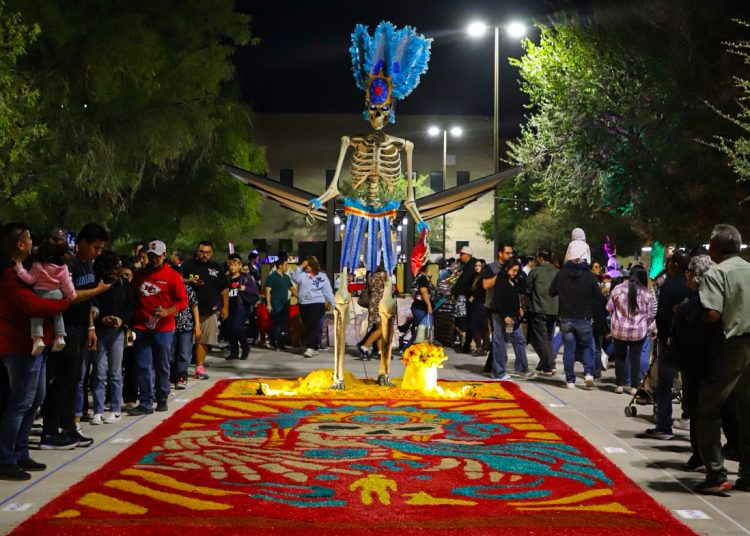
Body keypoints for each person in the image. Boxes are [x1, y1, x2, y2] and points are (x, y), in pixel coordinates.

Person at [0, 223, 71, 479]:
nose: (33, 243)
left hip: (35, 345)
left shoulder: (26, 269)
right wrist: (64, 302)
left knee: (35, 399)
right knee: (20, 402)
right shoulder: (9, 274)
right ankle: (6, 458)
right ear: (20, 244)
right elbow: (34, 305)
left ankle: (20, 452)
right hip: (19, 346)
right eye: (29, 239)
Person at [41, 223, 110, 450]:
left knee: (74, 380)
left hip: (81, 328)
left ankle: (69, 427)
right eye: (96, 247)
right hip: (65, 328)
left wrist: (91, 328)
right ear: (82, 243)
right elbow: (68, 296)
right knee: (62, 381)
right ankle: (50, 431)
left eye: (101, 248)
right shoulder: (68, 265)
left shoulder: (88, 265)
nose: (98, 252)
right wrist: (98, 290)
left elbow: (87, 301)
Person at [694, 224, 750, 495]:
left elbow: (713, 314)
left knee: (708, 409)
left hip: (732, 346)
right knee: (747, 411)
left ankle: (716, 473)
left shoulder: (717, 272)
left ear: (715, 248)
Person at [669, 254, 720, 472]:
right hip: (713, 364)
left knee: (699, 412)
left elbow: (685, 337)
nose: (686, 276)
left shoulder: (696, 304)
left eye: (689, 271)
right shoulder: (713, 300)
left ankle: (702, 457)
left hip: (698, 365)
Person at [127, 240, 187, 416]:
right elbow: (132, 298)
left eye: (157, 256)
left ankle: (162, 397)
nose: (154, 259)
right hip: (141, 327)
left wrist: (168, 311)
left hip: (163, 328)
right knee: (143, 366)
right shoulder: (139, 275)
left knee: (162, 365)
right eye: (151, 256)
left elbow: (182, 301)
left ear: (164, 255)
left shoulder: (173, 276)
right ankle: (146, 402)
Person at [645, 250, 690, 440]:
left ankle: (664, 426)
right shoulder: (694, 285)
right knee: (690, 385)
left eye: (669, 263)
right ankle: (690, 420)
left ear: (675, 265)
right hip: (691, 342)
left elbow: (661, 315)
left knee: (665, 385)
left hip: (670, 342)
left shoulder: (669, 285)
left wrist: (663, 339)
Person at [13, 230, 77, 355]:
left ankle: (37, 339)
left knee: (37, 316)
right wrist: (72, 295)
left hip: (41, 295)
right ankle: (60, 337)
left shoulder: (38, 266)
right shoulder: (63, 268)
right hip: (57, 295)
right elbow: (67, 284)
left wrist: (20, 269)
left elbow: (30, 279)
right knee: (58, 316)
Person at [91, 251, 134, 425]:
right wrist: (102, 319)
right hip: (99, 331)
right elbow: (92, 307)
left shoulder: (123, 283)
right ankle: (98, 411)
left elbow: (130, 306)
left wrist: (121, 320)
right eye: (111, 268)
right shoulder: (96, 283)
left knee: (115, 373)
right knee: (99, 373)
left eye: (116, 266)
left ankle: (115, 410)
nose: (115, 271)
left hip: (117, 333)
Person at [549, 253, 602, 389]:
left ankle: (570, 380)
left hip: (565, 318)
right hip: (584, 318)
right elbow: (599, 297)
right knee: (587, 347)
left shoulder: (561, 274)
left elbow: (551, 292)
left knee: (569, 350)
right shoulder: (590, 276)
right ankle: (588, 374)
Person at [181, 241, 228, 379]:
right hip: (188, 312)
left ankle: (199, 367)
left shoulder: (216, 268)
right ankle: (180, 370)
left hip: (209, 311)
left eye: (207, 252)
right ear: (197, 252)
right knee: (185, 342)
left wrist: (225, 307)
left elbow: (224, 289)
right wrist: (190, 282)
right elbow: (177, 280)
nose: (204, 255)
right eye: (202, 252)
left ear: (211, 253)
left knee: (203, 340)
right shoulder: (188, 265)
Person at [607, 265, 655, 395]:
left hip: (619, 330)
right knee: (635, 358)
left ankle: (619, 385)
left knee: (620, 357)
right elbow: (650, 315)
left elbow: (609, 307)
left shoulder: (618, 289)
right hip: (638, 332)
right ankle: (634, 386)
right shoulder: (646, 293)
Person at [292, 256, 335, 358]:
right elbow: (294, 278)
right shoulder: (302, 275)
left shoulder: (322, 276)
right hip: (303, 304)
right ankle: (315, 347)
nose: (306, 267)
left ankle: (310, 348)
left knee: (312, 324)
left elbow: (328, 291)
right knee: (308, 325)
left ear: (312, 266)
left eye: (308, 265)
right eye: (305, 265)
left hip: (317, 303)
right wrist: (301, 266)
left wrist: (334, 304)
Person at [488, 258, 523, 380]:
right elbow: (497, 300)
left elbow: (515, 296)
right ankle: (498, 372)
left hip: (512, 318)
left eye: (517, 271)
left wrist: (519, 308)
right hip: (501, 317)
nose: (515, 273)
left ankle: (521, 368)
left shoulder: (513, 280)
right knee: (500, 344)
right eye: (514, 270)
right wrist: (504, 316)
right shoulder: (501, 280)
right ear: (507, 268)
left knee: (518, 340)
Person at [527, 248, 559, 375]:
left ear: (540, 258)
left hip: (538, 309)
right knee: (549, 338)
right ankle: (546, 364)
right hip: (554, 310)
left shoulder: (535, 271)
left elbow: (527, 289)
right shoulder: (557, 271)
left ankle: (549, 365)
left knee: (539, 339)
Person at [225, 254, 256, 360]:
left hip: (241, 307)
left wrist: (245, 288)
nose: (232, 267)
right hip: (230, 307)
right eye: (231, 265)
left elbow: (255, 290)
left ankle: (245, 347)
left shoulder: (245, 277)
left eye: (235, 265)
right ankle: (234, 352)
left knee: (237, 327)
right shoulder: (227, 278)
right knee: (230, 329)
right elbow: (222, 293)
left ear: (240, 266)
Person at [171, 281, 200, 389]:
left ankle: (182, 376)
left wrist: (197, 324)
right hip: (170, 326)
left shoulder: (188, 289)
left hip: (186, 326)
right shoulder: (167, 288)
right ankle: (172, 376)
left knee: (184, 353)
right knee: (170, 354)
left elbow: (194, 306)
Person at [451, 246, 477, 353]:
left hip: (468, 298)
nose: (460, 256)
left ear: (467, 255)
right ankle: (467, 344)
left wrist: (454, 291)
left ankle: (470, 344)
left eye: (462, 254)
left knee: (464, 321)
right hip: (466, 297)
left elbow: (464, 282)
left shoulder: (471, 265)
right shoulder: (467, 265)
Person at [264, 258, 294, 351]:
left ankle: (281, 343)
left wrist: (301, 297)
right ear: (280, 266)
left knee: (283, 324)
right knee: (277, 324)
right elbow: (267, 291)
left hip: (285, 303)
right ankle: (274, 343)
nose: (287, 267)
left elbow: (293, 289)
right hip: (276, 304)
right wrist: (268, 304)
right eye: (286, 265)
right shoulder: (271, 277)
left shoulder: (286, 277)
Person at [406, 262, 434, 348]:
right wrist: (429, 305)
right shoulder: (422, 278)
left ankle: (411, 347)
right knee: (421, 330)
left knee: (420, 329)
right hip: (420, 307)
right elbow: (423, 292)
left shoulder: (417, 277)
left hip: (417, 307)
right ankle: (408, 348)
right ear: (426, 269)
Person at [469, 259, 489, 356]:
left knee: (477, 326)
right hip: (478, 304)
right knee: (481, 326)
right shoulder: (475, 276)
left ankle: (481, 347)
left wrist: (474, 296)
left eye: (479, 265)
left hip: (481, 304)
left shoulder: (483, 277)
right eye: (476, 265)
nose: (477, 267)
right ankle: (483, 348)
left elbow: (483, 291)